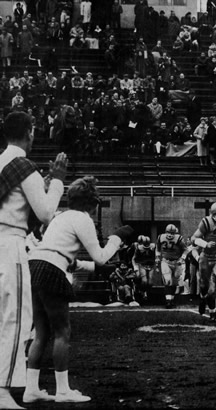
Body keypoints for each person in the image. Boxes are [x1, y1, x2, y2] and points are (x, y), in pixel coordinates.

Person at [25, 176, 134, 404]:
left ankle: (31, 389)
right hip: (51, 270)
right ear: (92, 203)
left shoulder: (60, 217)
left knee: (42, 332)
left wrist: (93, 266)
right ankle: (63, 391)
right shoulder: (82, 219)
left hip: (34, 266)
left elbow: (70, 260)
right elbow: (101, 257)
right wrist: (116, 238)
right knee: (62, 332)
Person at [0, 111, 67, 410]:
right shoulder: (24, 166)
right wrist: (58, 183)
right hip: (10, 244)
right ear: (29, 132)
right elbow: (46, 214)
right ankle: (2, 391)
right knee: (14, 320)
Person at [155, 224, 188, 309]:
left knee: (175, 281)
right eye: (168, 233)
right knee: (167, 280)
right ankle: (168, 301)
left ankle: (171, 299)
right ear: (165, 232)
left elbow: (185, 250)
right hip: (166, 261)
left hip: (177, 262)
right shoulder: (160, 237)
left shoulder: (179, 238)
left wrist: (182, 258)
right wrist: (157, 257)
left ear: (175, 233)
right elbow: (158, 249)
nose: (170, 235)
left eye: (172, 233)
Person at [131, 235, 156, 302]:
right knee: (141, 279)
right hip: (140, 264)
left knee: (150, 282)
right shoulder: (136, 247)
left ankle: (146, 293)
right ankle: (140, 291)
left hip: (150, 265)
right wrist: (135, 268)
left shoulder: (153, 246)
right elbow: (133, 258)